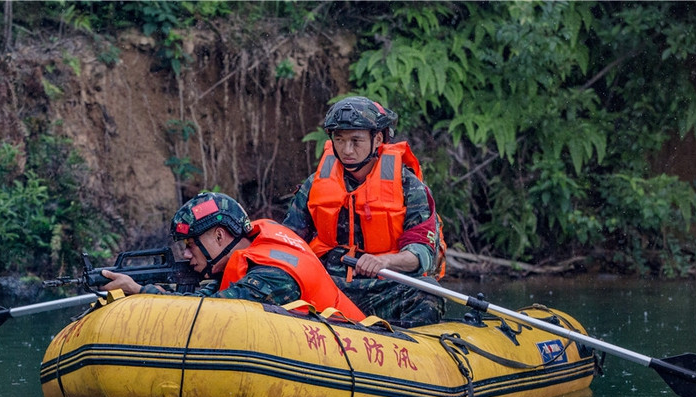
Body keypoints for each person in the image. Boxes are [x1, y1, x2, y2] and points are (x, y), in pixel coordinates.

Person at [282, 95, 446, 326]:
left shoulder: (409, 187)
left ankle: (397, 342)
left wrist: (384, 261)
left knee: (429, 294)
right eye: (339, 140)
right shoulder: (315, 184)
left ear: (377, 139)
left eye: (356, 141)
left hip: (382, 286)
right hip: (326, 284)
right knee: (278, 279)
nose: (347, 150)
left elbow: (422, 254)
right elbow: (289, 240)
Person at [101, 192, 366, 322]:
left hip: (354, 352)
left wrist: (139, 291)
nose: (186, 254)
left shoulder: (273, 273)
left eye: (191, 244)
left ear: (219, 236)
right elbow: (206, 296)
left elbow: (210, 310)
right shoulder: (251, 252)